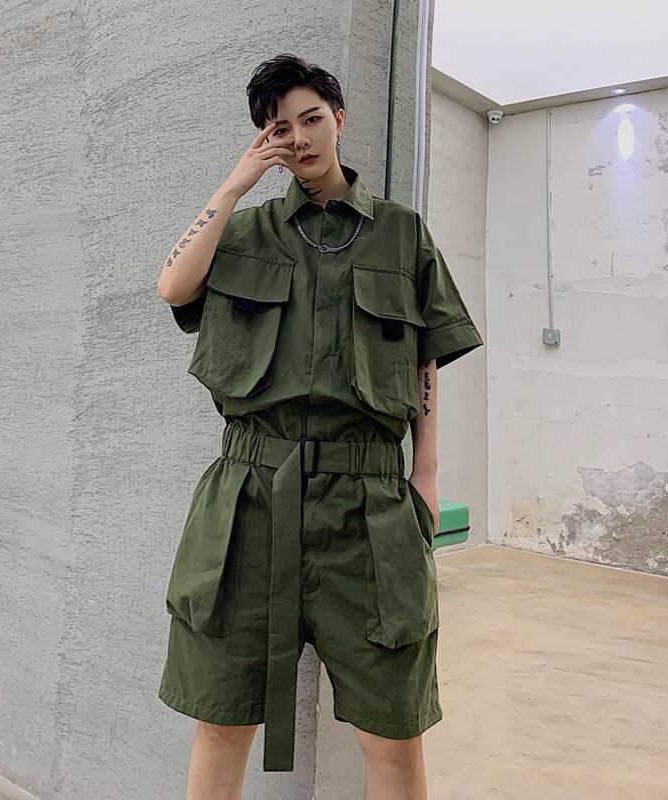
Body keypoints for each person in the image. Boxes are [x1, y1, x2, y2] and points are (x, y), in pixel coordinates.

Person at [156, 53, 483, 799]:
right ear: (264, 140)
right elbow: (173, 285)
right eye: (280, 128)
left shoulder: (400, 234)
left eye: (311, 119)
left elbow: (426, 358)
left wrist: (426, 475)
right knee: (220, 718)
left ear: (339, 119)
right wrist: (236, 183)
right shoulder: (243, 232)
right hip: (246, 504)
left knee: (394, 731)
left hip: (370, 512)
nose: (299, 138)